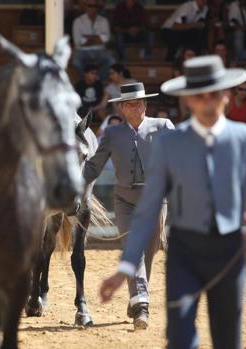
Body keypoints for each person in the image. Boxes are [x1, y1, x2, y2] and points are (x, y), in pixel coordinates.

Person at [99, 55, 246, 349]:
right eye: (199, 95)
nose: (207, 101)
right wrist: (126, 266)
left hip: (230, 252)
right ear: (189, 100)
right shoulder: (170, 142)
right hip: (184, 254)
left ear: (226, 95)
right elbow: (146, 210)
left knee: (227, 339)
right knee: (180, 339)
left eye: (214, 93)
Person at [84, 82, 175, 330]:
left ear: (145, 104)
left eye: (137, 103)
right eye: (127, 104)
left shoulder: (163, 127)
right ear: (122, 108)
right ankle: (141, 306)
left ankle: (136, 296)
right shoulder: (112, 134)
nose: (132, 107)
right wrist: (74, 181)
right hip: (124, 202)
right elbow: (94, 167)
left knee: (149, 253)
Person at [72, 0, 113, 82]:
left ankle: (100, 82)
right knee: (76, 63)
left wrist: (87, 38)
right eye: (90, 6)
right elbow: (78, 41)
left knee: (111, 61)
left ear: (98, 8)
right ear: (85, 7)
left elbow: (106, 38)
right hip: (82, 51)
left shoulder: (104, 20)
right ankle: (85, 82)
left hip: (100, 50)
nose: (92, 8)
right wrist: (97, 38)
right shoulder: (78, 21)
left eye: (95, 6)